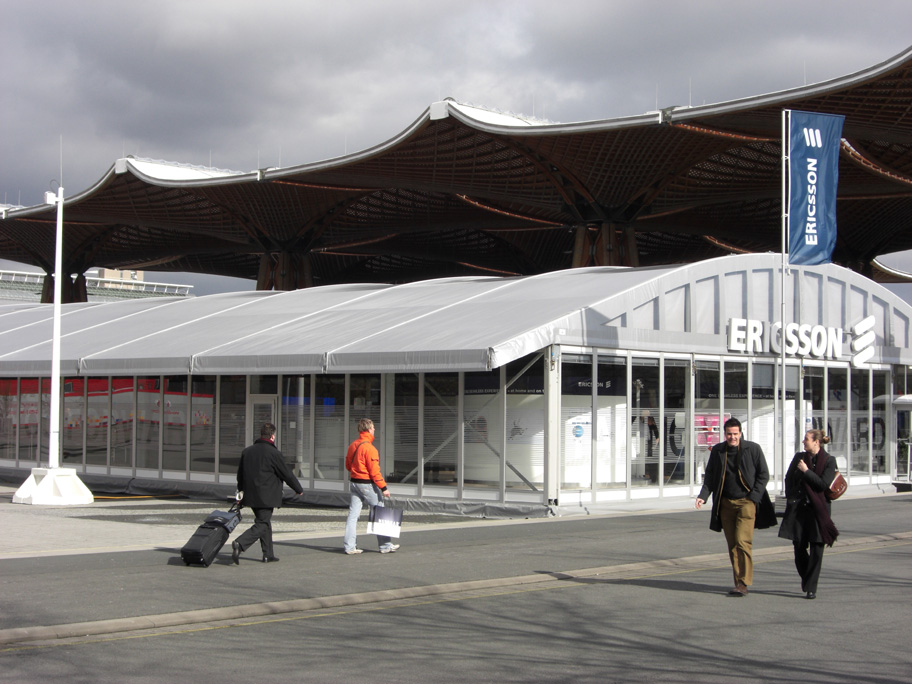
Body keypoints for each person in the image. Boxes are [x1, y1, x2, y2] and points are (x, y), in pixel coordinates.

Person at [695, 417, 774, 596]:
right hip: (725, 503)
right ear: (725, 434)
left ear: (741, 433)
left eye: (735, 434)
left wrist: (754, 497)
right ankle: (738, 582)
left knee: (742, 542)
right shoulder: (718, 451)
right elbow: (710, 476)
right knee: (732, 544)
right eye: (729, 434)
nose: (732, 437)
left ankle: (744, 583)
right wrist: (703, 496)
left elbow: (764, 474)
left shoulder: (752, 449)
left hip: (746, 502)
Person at [778, 429, 839, 599]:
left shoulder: (829, 460)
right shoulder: (799, 457)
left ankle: (811, 587)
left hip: (818, 511)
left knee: (817, 549)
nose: (804, 442)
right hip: (800, 511)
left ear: (816, 442)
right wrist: (791, 497)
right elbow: (789, 478)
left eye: (807, 439)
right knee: (798, 548)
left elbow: (823, 484)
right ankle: (807, 577)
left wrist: (806, 471)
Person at [232, 423, 303, 564]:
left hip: (250, 495)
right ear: (272, 436)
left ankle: (268, 554)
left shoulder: (247, 451)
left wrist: (240, 493)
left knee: (264, 522)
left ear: (261, 435)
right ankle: (240, 543)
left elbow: (240, 475)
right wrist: (298, 489)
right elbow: (286, 474)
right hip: (266, 496)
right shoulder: (274, 453)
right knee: (262, 524)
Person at [343, 418, 399, 555]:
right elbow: (374, 471)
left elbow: (348, 465)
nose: (375, 430)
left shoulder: (353, 445)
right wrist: (384, 487)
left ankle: (350, 547)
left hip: (354, 483)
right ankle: (385, 545)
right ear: (368, 429)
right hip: (366, 484)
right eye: (373, 428)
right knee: (380, 512)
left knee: (353, 515)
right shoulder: (370, 448)